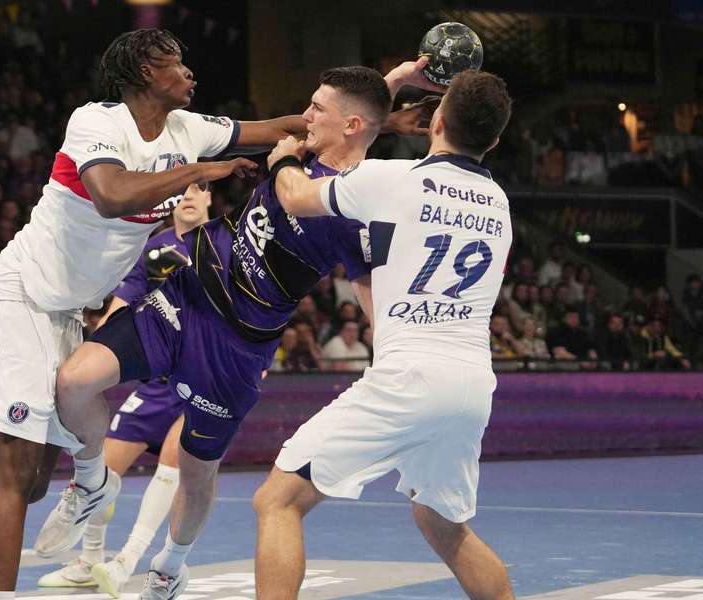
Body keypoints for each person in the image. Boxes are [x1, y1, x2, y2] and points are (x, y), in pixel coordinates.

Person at [0, 25, 327, 600]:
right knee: (15, 468)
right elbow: (112, 194)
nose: (190, 73)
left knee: (29, 483)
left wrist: (378, 112)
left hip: (63, 313)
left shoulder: (188, 129)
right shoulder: (96, 121)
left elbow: (282, 127)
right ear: (146, 70)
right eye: (177, 62)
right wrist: (199, 171)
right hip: (17, 298)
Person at [35, 61, 438, 599]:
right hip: (187, 297)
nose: (305, 113)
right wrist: (401, 76)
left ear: (347, 126)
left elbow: (370, 288)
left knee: (197, 476)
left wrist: (396, 350)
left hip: (237, 350)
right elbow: (358, 113)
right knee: (73, 380)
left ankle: (169, 566)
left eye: (317, 107)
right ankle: (91, 481)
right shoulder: (308, 143)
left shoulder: (357, 207)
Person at [255, 69, 515, 600]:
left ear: (436, 120)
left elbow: (297, 197)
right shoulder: (501, 205)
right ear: (493, 141)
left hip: (409, 377)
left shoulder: (397, 180)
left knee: (278, 501)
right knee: (443, 524)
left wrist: (283, 157)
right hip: (472, 385)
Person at [37, 183, 209, 596]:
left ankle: (127, 562)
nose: (188, 194)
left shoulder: (224, 243)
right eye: (181, 189)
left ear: (208, 198)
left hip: (204, 378)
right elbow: (122, 306)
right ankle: (89, 561)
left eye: (198, 188)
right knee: (102, 472)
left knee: (175, 465)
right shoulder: (153, 248)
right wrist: (95, 354)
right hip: (156, 385)